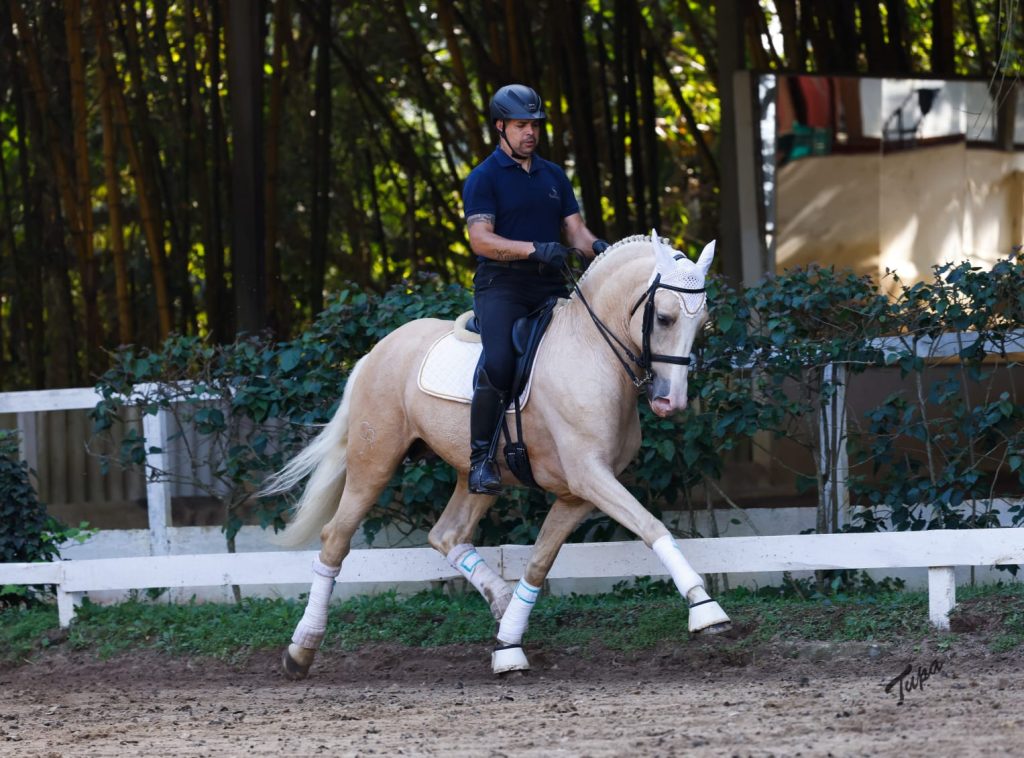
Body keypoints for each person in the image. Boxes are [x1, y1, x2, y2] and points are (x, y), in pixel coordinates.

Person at [462, 83, 609, 495]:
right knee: (501, 361)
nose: (531, 132)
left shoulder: (553, 175)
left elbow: (575, 230)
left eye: (535, 125)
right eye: (522, 125)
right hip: (502, 287)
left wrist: (600, 248)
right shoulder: (484, 178)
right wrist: (532, 250)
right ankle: (480, 461)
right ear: (500, 127)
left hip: (549, 288)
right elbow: (481, 240)